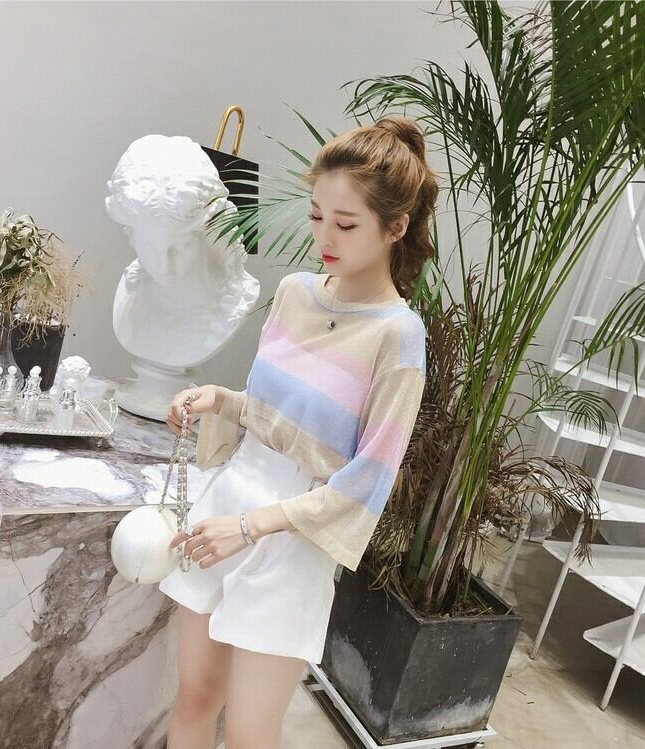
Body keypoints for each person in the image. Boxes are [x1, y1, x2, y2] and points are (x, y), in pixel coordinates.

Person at [158, 115, 439, 749]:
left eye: (346, 224)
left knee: (250, 733)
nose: (324, 237)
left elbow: (367, 480)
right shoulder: (293, 293)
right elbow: (270, 414)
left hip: (294, 536)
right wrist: (218, 400)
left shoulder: (398, 336)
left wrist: (251, 526)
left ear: (396, 227)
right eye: (317, 216)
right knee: (195, 696)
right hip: (227, 504)